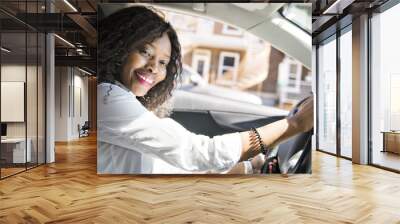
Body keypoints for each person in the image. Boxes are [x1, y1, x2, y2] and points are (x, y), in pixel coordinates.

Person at [97, 6, 313, 174]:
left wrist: (249, 167)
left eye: (163, 62)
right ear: (120, 47)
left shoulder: (122, 100)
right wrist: (295, 124)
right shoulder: (105, 98)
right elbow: (195, 152)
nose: (154, 67)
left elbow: (168, 164)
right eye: (145, 51)